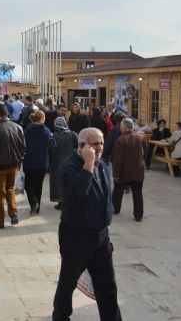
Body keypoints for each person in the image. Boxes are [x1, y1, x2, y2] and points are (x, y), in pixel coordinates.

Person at [52, 127, 122, 321]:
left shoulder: (101, 165)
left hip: (101, 235)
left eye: (101, 143)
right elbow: (80, 191)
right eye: (94, 144)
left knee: (107, 285)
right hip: (76, 235)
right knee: (68, 282)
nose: (100, 147)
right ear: (81, 146)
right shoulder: (69, 167)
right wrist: (88, 164)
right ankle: (60, 316)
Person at [112, 118, 146, 222]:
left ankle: (115, 209)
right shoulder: (141, 137)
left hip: (123, 172)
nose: (120, 128)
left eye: (121, 127)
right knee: (137, 194)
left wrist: (115, 174)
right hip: (138, 171)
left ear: (124, 127)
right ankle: (138, 215)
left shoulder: (120, 140)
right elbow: (145, 153)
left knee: (118, 191)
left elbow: (117, 159)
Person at [22, 110, 53, 216]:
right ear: (42, 119)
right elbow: (52, 146)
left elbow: (22, 145)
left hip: (29, 161)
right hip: (43, 162)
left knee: (28, 184)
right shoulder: (47, 131)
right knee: (38, 185)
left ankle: (34, 204)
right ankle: (37, 206)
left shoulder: (27, 131)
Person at [49, 117, 78, 210]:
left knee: (58, 182)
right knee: (70, 182)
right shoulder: (72, 134)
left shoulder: (53, 136)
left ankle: (61, 202)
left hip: (57, 163)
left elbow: (51, 151)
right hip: (71, 162)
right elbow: (79, 147)